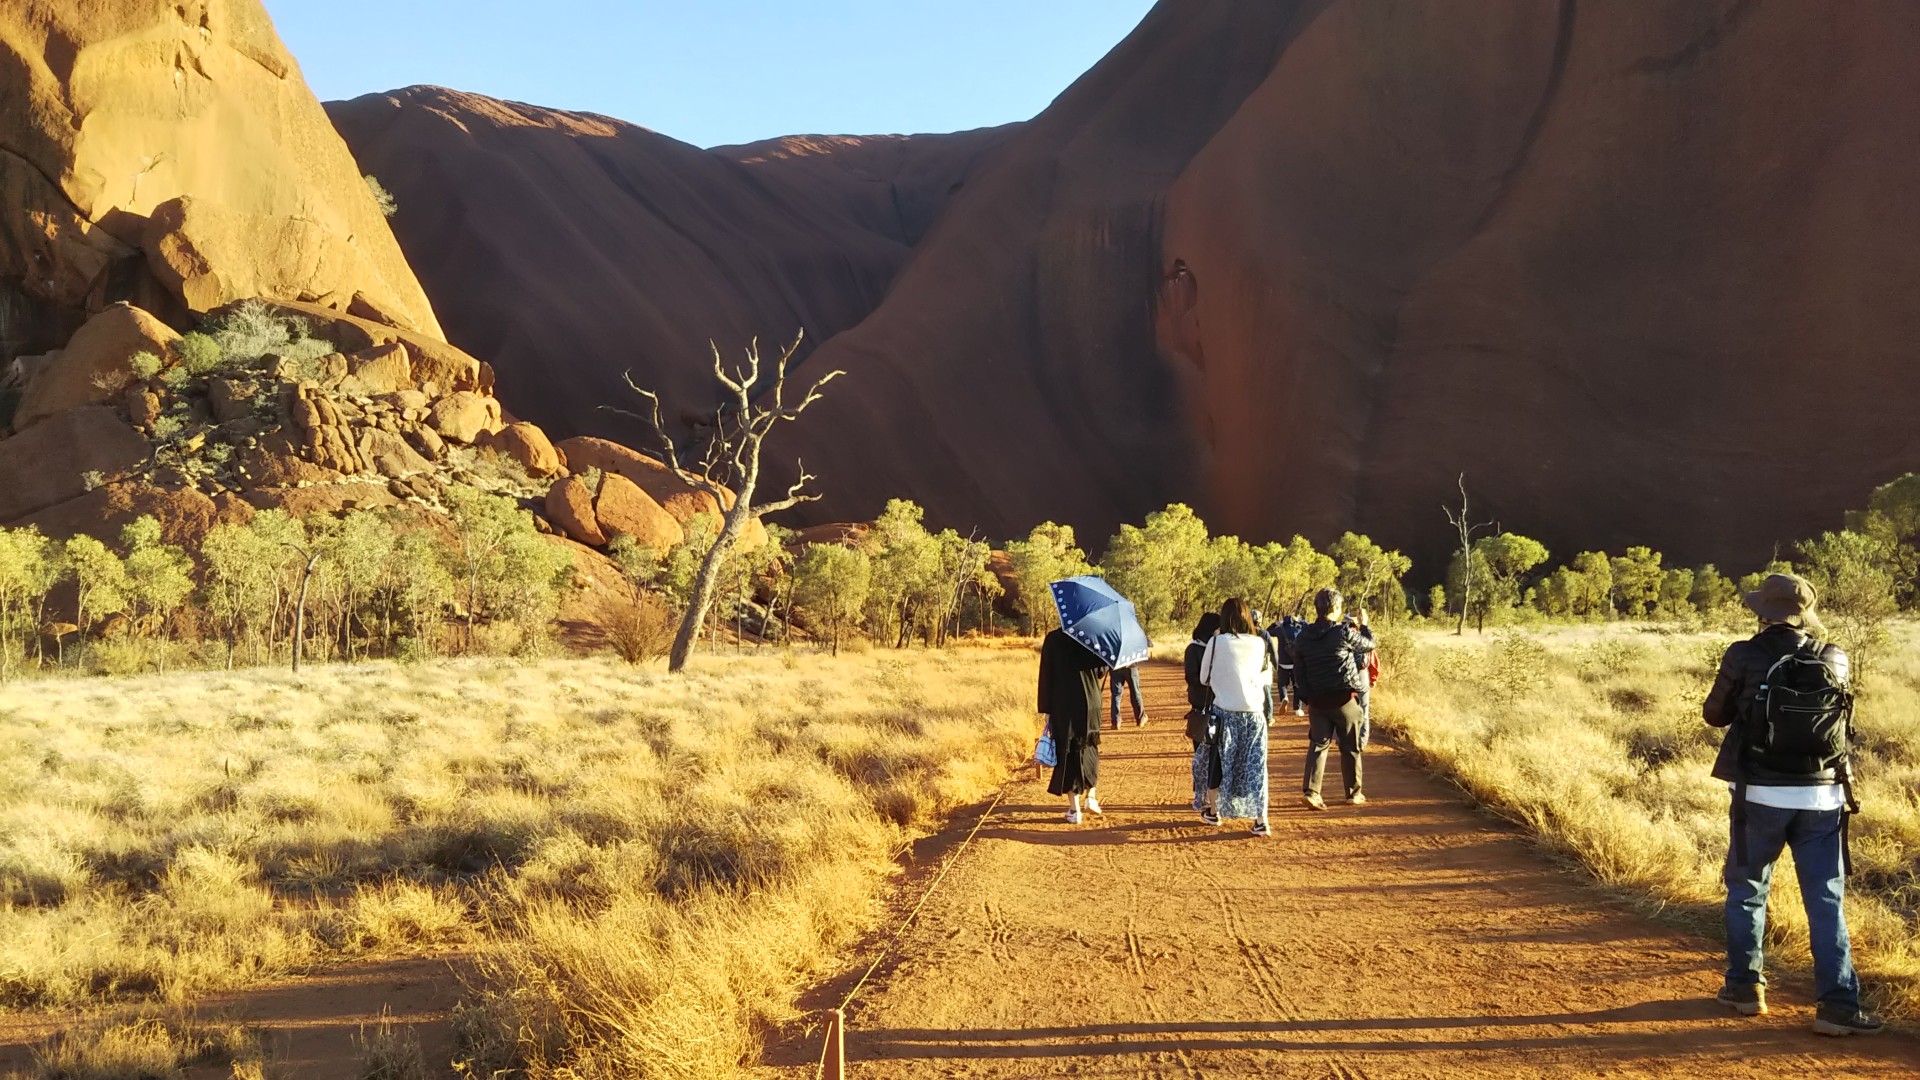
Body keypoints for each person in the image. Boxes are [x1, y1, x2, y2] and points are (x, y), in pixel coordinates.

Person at [1703, 572, 1881, 1036]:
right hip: (1823, 796)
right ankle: (1837, 1007)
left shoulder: (1743, 654)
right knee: (1825, 900)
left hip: (1758, 794)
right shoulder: (1835, 657)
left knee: (1747, 891)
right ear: (1804, 613)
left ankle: (1744, 988)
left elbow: (1714, 715)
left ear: (1763, 612)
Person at [1292, 589, 1374, 810]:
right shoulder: (1343, 633)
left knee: (1318, 745)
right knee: (1350, 747)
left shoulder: (1303, 636)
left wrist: (1306, 697)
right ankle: (1353, 793)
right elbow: (1368, 645)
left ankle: (1312, 791)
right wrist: (1364, 625)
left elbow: (1299, 671)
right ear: (1336, 609)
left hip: (1317, 701)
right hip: (1344, 699)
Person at [1199, 598, 1273, 836]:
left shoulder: (1215, 642)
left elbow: (1203, 679)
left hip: (1223, 714)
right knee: (1256, 766)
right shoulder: (1259, 643)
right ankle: (1261, 820)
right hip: (1253, 715)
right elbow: (1266, 679)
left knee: (1216, 762)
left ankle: (1213, 811)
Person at [1038, 626, 1108, 824]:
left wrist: (1046, 709)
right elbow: (1101, 670)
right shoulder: (1093, 635)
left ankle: (1074, 809)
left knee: (1068, 752)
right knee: (1090, 747)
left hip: (1064, 705)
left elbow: (1046, 675)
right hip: (1091, 703)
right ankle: (1091, 797)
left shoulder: (1053, 639)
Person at [1183, 612, 1224, 811]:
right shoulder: (1194, 649)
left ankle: (1212, 794)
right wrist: (1209, 679)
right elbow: (1191, 677)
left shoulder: (1217, 647)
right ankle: (1199, 795)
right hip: (1201, 710)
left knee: (1215, 755)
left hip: (1217, 708)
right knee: (1201, 754)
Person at [1109, 663, 1148, 729]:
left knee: (1116, 695)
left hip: (1115, 666)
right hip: (1131, 666)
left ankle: (1116, 722)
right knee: (1135, 692)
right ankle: (1140, 718)